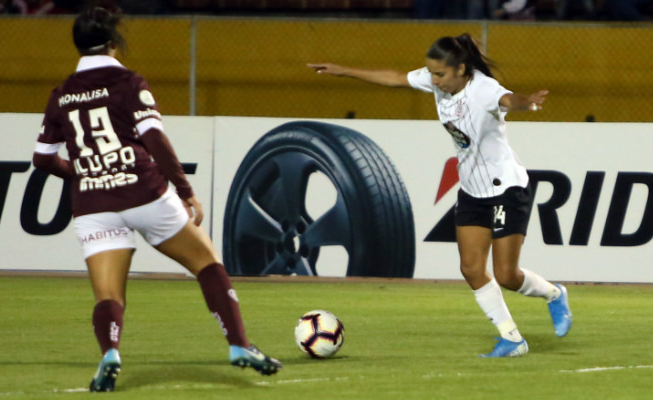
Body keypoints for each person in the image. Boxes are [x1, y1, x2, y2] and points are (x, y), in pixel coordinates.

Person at [32, 7, 281, 392]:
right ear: (115, 43)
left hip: (93, 206)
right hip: (145, 192)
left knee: (109, 295)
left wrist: (83, 173)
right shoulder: (129, 82)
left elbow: (43, 158)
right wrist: (184, 191)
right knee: (206, 262)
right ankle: (239, 345)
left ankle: (110, 353)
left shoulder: (62, 93)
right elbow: (155, 140)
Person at [307, 33, 572, 358]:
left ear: (461, 69)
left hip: (507, 189)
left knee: (506, 275)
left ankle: (554, 295)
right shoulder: (437, 81)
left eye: (440, 74)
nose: (433, 80)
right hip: (473, 191)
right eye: (431, 73)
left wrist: (526, 101)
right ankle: (512, 338)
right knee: (471, 268)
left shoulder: (482, 89)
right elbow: (394, 78)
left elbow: (508, 100)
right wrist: (343, 70)